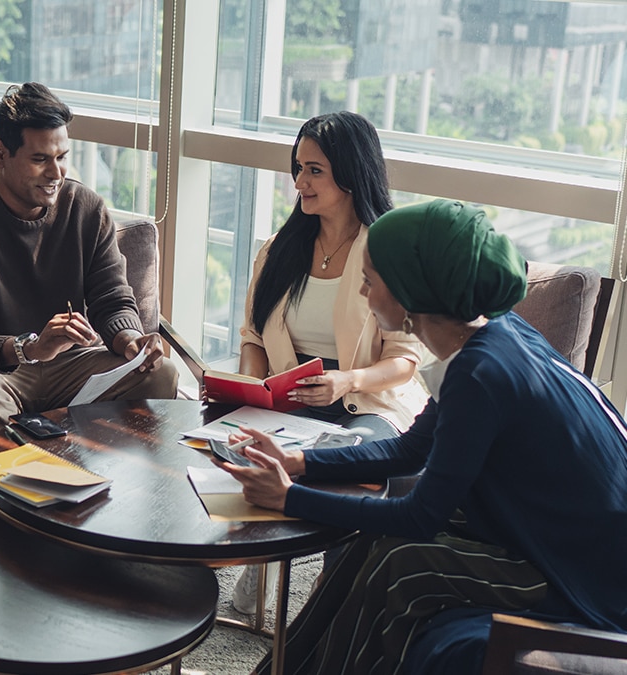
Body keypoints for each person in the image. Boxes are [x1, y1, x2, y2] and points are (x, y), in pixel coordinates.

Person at [222, 199, 627, 675]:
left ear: (410, 291)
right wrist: (301, 463)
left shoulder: (483, 372)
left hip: (585, 573)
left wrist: (290, 500)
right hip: (557, 539)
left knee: (403, 565)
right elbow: (411, 448)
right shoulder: (494, 334)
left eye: (370, 280)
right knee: (371, 541)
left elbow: (419, 516)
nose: (361, 288)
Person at [0, 82, 178, 518]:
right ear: (0, 153)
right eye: (40, 159)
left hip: (74, 368)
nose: (56, 173)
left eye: (62, 157)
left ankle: (126, 512)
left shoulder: (86, 208)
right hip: (0, 370)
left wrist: (131, 340)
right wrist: (28, 346)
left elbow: (113, 299)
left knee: (161, 374)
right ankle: (3, 531)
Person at [232, 111, 427, 613]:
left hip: (368, 398)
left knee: (350, 471)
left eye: (314, 170)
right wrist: (254, 393)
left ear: (351, 169)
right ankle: (257, 565)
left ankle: (330, 599)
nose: (299, 182)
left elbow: (405, 360)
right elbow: (253, 336)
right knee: (246, 447)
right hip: (290, 397)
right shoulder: (278, 250)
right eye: (297, 168)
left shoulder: (388, 248)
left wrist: (347, 380)